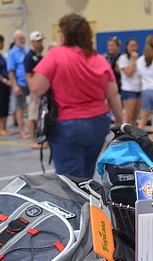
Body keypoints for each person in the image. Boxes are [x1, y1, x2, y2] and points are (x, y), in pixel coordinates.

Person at [29, 13, 123, 179]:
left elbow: (36, 88)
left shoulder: (56, 54)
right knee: (87, 174)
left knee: (69, 180)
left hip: (68, 124)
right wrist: (121, 122)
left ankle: (75, 203)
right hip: (98, 123)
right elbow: (113, 95)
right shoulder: (99, 59)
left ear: (64, 34)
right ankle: (86, 202)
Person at [7, 30, 30, 139]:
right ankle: (21, 130)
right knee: (20, 107)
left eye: (23, 38)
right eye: (20, 38)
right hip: (19, 83)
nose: (23, 40)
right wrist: (14, 85)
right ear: (15, 40)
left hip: (29, 82)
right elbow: (11, 71)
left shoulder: (27, 51)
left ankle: (31, 128)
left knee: (30, 107)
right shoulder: (12, 53)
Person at [24, 31, 45, 149]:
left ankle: (40, 138)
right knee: (32, 116)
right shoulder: (29, 57)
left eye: (41, 41)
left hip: (41, 89)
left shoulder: (40, 56)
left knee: (39, 115)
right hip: (34, 91)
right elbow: (28, 76)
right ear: (33, 42)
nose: (40, 43)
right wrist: (33, 90)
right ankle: (33, 140)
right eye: (38, 41)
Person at [117, 38, 142, 126]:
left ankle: (133, 136)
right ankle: (124, 136)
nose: (134, 48)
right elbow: (129, 73)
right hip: (128, 90)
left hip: (138, 89)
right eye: (131, 46)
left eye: (135, 46)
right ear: (127, 47)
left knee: (135, 116)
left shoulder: (139, 59)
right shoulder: (123, 58)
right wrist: (133, 60)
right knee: (128, 116)